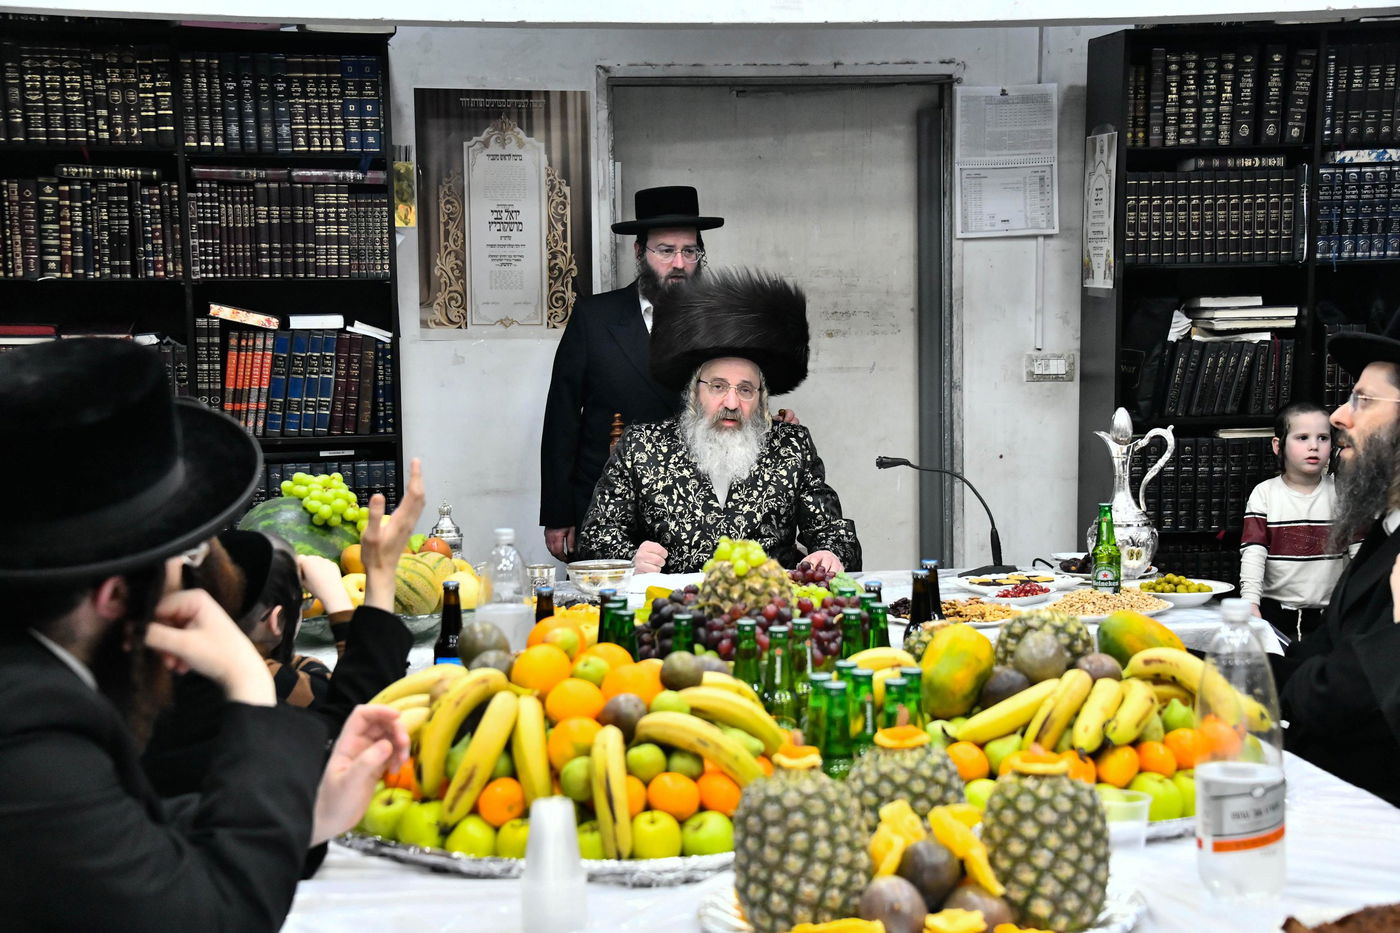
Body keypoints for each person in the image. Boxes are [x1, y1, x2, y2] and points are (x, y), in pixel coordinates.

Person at [0, 338, 408, 928]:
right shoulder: (29, 729)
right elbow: (212, 918)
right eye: (182, 551)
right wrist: (247, 683)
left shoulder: (34, 684)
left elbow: (126, 842)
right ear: (115, 595)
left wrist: (309, 813)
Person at [142, 463, 424, 797]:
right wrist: (365, 581)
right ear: (276, 621)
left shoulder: (162, 676)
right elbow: (352, 727)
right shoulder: (272, 685)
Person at [576, 268, 861, 574]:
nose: (732, 402)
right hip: (674, 612)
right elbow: (595, 539)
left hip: (768, 608)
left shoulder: (791, 445)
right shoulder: (640, 446)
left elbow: (836, 535)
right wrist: (633, 558)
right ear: (693, 392)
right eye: (718, 386)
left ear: (762, 397)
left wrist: (831, 554)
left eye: (746, 389)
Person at [1268, 315, 1400, 808]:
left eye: (1363, 401)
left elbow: (1347, 693)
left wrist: (1213, 675)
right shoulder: (1386, 529)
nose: (1339, 417)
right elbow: (1324, 649)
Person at [1239, 401, 1346, 643]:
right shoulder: (1264, 494)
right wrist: (1250, 602)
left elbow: (1360, 554)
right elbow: (1253, 553)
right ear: (1279, 446)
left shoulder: (1342, 492)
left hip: (1330, 616)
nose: (1313, 446)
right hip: (1276, 614)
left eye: (1323, 438)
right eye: (1302, 438)